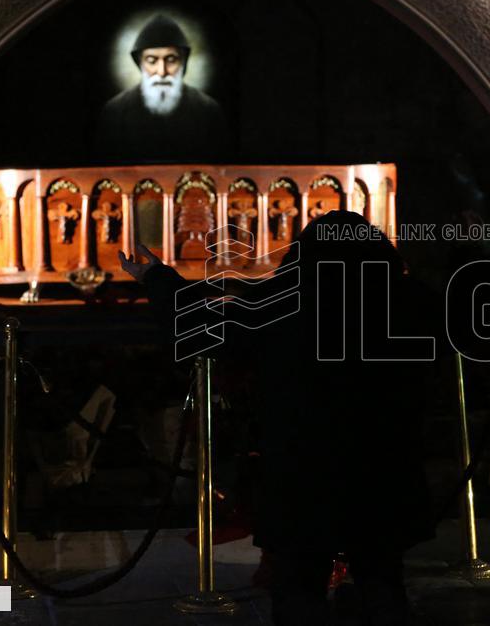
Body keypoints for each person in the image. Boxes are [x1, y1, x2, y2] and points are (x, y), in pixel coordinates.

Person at [120, 211, 437, 625]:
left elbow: (203, 324)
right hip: (383, 466)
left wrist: (157, 278)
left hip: (302, 467)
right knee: (382, 581)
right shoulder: (407, 299)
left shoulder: (284, 299)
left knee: (299, 586)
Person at [95, 14, 228, 161]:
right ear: (140, 64)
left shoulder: (208, 110)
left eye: (171, 60)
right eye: (152, 61)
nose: (162, 71)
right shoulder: (115, 112)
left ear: (183, 63)